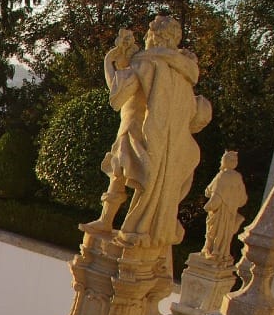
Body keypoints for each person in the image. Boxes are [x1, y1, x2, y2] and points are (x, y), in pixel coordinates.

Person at [89, 16, 212, 247]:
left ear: (156, 36)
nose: (145, 38)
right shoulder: (182, 75)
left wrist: (110, 61)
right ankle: (139, 227)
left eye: (148, 33)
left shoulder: (147, 63)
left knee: (118, 174)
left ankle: (107, 220)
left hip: (136, 132)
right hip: (168, 147)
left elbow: (118, 95)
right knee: (144, 184)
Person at [202, 151, 248, 262]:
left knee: (214, 233)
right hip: (231, 213)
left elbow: (213, 196)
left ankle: (214, 251)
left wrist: (207, 207)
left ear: (225, 161)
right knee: (226, 234)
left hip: (219, 214)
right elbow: (243, 199)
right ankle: (221, 252)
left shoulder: (222, 176)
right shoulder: (237, 177)